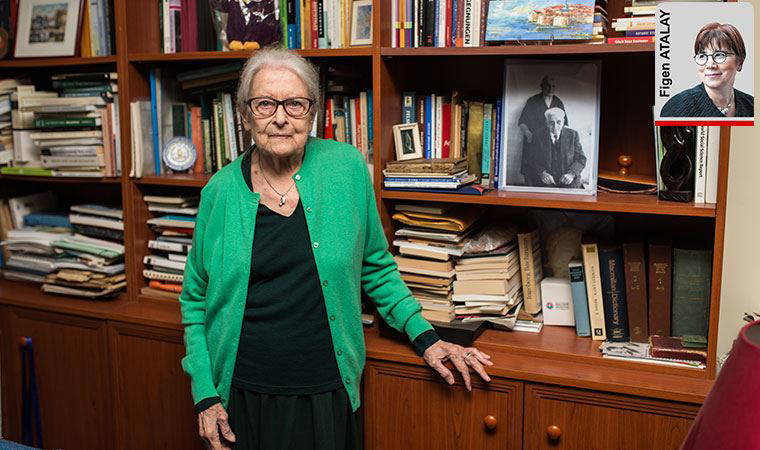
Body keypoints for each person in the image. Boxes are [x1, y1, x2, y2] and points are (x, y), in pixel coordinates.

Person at [180, 47, 493, 450]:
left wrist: (426, 338)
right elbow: (194, 300)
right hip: (241, 393)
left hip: (327, 387)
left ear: (312, 112)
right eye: (265, 104)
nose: (280, 117)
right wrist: (205, 395)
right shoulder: (219, 191)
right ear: (245, 115)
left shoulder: (347, 168)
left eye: (295, 104)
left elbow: (376, 267)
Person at [661, 22, 754, 118]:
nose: (710, 65)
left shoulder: (752, 106)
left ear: (739, 62)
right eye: (702, 56)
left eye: (719, 55)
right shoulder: (677, 107)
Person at [518, 76, 569, 182]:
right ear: (542, 86)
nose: (550, 89)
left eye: (553, 86)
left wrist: (559, 137)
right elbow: (522, 122)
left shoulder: (558, 102)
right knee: (531, 171)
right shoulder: (533, 101)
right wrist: (528, 133)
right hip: (533, 140)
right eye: (548, 86)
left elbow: (564, 124)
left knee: (547, 173)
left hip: (549, 143)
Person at [524, 108, 586, 188]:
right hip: (545, 180)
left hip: (568, 179)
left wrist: (571, 174)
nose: (555, 127)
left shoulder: (573, 135)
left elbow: (581, 159)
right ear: (547, 123)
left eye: (559, 122)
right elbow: (531, 158)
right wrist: (542, 173)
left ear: (563, 121)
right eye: (552, 123)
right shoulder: (538, 135)